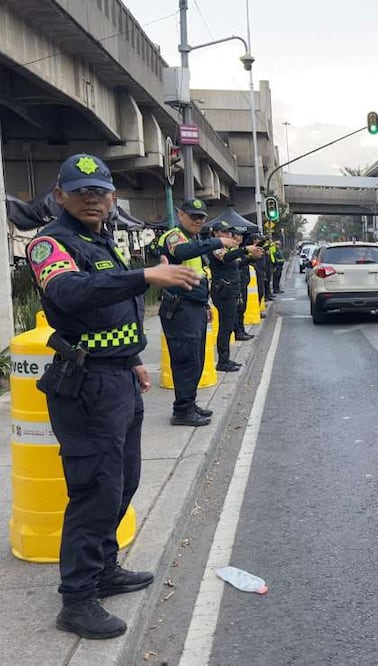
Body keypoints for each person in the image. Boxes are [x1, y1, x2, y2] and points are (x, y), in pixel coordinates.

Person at [26, 153, 201, 639]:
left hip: (118, 377)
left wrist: (132, 359)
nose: (91, 199)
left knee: (123, 483)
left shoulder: (101, 240)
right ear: (59, 195)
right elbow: (71, 293)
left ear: (111, 198)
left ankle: (104, 569)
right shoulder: (49, 243)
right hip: (86, 387)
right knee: (94, 491)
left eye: (99, 192)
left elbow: (111, 314)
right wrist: (145, 276)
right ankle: (77, 598)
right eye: (80, 191)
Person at [153, 199, 239, 426]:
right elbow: (182, 252)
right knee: (186, 361)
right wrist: (217, 241)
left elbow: (199, 275)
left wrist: (205, 304)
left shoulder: (194, 240)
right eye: (193, 216)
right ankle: (182, 411)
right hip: (179, 308)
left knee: (196, 359)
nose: (198, 221)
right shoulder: (174, 236)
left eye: (201, 217)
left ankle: (189, 404)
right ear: (180, 215)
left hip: (194, 306)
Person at [207, 222, 254, 371]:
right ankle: (222, 361)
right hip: (224, 291)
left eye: (229, 232)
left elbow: (237, 264)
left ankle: (225, 359)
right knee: (225, 327)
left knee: (228, 326)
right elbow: (226, 258)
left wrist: (251, 257)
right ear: (215, 233)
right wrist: (244, 249)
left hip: (230, 290)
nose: (228, 235)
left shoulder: (226, 248)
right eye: (224, 232)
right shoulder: (215, 246)